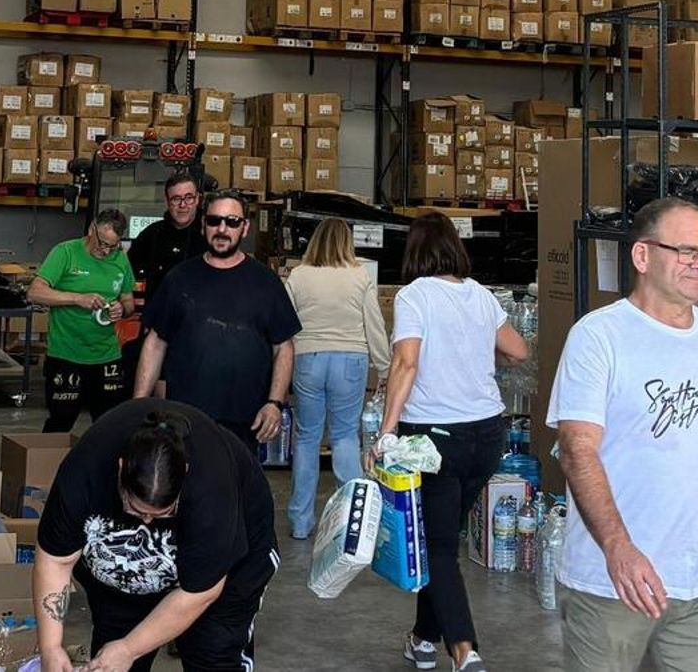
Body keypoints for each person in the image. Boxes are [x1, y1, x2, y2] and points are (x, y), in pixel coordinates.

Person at [547, 197, 698, 672]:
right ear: (642, 256)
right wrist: (618, 549)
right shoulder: (599, 336)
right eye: (686, 251)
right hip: (611, 582)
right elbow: (577, 451)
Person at [377, 211, 529, 672]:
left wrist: (386, 432)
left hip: (434, 438)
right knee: (439, 538)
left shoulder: (414, 295)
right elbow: (518, 349)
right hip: (487, 433)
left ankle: (465, 650)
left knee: (438, 547)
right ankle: (423, 638)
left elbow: (406, 363)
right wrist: (474, 357)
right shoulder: (481, 294)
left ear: (415, 250)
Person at [33, 398, 278, 672]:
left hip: (228, 563)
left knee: (213, 650)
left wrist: (130, 648)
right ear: (121, 469)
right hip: (124, 567)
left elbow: (200, 593)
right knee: (112, 656)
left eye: (161, 514)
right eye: (136, 511)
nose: (147, 521)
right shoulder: (84, 471)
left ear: (185, 473)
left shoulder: (211, 490)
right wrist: (50, 647)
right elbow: (55, 561)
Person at [133, 191, 301, 454]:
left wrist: (274, 403)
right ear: (203, 225)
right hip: (185, 420)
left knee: (236, 480)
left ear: (245, 227)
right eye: (214, 220)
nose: (222, 229)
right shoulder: (179, 279)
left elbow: (284, 346)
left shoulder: (266, 283)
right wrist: (138, 406)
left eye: (232, 222)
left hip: (245, 421)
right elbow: (155, 343)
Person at [282, 218, 390, 539]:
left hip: (308, 359)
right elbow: (374, 325)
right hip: (350, 361)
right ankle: (353, 522)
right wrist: (385, 368)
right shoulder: (359, 276)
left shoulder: (299, 276)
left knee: (307, 438)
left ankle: (301, 521)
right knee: (344, 437)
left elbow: (284, 322)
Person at [27, 208, 137, 433]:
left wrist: (121, 309)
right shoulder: (65, 252)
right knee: (61, 422)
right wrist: (77, 298)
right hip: (67, 355)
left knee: (110, 426)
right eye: (102, 243)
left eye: (112, 246)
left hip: (107, 356)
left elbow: (128, 301)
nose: (105, 251)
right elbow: (35, 293)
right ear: (91, 229)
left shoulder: (120, 259)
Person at [126, 171, 208, 298]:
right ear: (167, 200)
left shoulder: (210, 236)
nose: (182, 205)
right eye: (176, 199)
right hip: (159, 308)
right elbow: (126, 272)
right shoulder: (151, 235)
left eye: (189, 198)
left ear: (197, 199)